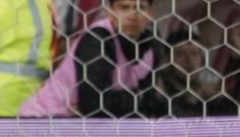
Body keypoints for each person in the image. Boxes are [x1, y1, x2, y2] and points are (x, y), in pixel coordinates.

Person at [19, 0, 167, 118]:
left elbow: (148, 102)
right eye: (124, 7)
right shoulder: (97, 41)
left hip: (85, 126)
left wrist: (141, 100)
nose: (133, 14)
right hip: (46, 120)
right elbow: (94, 105)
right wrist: (138, 99)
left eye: (140, 7)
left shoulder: (152, 47)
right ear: (110, 11)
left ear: (151, 14)